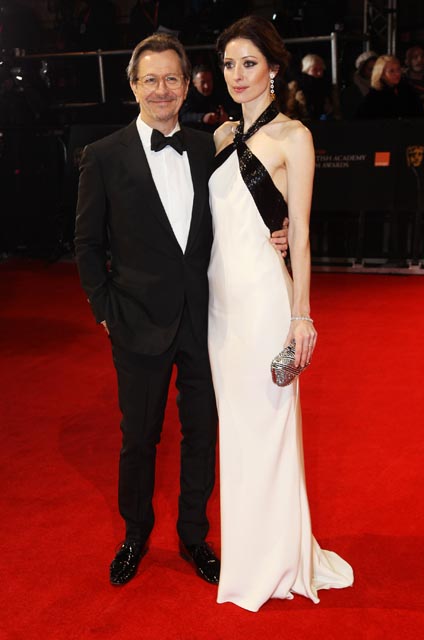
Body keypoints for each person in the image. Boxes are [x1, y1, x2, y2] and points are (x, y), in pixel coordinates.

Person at [74, 32, 288, 588]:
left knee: (202, 433)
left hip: (204, 320)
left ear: (188, 84)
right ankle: (135, 535)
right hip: (136, 322)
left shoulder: (207, 147)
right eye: (150, 79)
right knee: (139, 438)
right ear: (133, 85)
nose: (162, 89)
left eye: (172, 78)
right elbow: (87, 245)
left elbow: (240, 211)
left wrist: (278, 232)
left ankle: (195, 535)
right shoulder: (103, 156)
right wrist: (105, 310)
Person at [208, 16, 354, 612]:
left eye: (249, 63)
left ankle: (279, 560)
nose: (237, 75)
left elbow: (302, 234)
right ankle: (247, 556)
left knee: (269, 428)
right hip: (221, 308)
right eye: (228, 64)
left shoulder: (294, 135)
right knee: (237, 433)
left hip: (267, 301)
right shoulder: (220, 138)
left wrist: (301, 316)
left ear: (272, 68)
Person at [356, 54, 423, 119]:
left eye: (398, 69)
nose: (397, 74)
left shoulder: (407, 89)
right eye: (391, 71)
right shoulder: (374, 97)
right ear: (381, 74)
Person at [180, 64, 229, 133]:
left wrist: (226, 117)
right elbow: (183, 117)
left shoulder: (219, 92)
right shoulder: (187, 96)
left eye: (209, 81)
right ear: (194, 83)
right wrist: (202, 117)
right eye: (202, 82)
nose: (206, 86)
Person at [340, 50, 378, 119]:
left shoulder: (383, 87)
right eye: (370, 69)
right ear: (362, 69)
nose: (374, 73)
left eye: (376, 69)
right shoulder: (350, 92)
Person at [402, 45, 424, 114]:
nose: (420, 60)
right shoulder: (401, 79)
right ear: (407, 61)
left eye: (423, 56)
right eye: (415, 57)